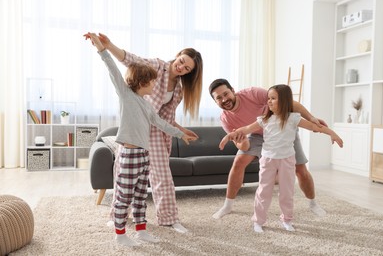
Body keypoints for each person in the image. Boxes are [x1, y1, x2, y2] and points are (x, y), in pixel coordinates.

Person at [84, 32, 195, 247]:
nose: (182, 67)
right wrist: (103, 48)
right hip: (129, 149)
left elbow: (164, 121)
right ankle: (119, 227)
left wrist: (182, 133)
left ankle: (151, 225)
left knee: (142, 193)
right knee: (125, 190)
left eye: (187, 68)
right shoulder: (131, 90)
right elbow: (120, 65)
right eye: (182, 61)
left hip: (146, 148)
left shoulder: (159, 99)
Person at [219, 84, 343, 233]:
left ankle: (287, 219)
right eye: (268, 98)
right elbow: (244, 130)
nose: (268, 101)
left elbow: (315, 127)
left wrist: (332, 133)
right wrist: (228, 136)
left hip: (287, 160)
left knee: (287, 192)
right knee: (263, 191)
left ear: (284, 101)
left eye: (272, 98)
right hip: (268, 160)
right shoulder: (263, 119)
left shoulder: (293, 118)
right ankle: (258, 221)